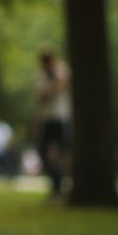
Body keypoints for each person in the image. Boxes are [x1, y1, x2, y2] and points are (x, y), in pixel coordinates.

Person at [34, 48, 71, 199]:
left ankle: (61, 185)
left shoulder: (61, 70)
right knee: (42, 151)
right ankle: (57, 183)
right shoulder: (41, 75)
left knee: (64, 152)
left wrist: (58, 81)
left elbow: (64, 85)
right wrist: (55, 86)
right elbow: (41, 95)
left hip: (61, 117)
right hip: (46, 119)